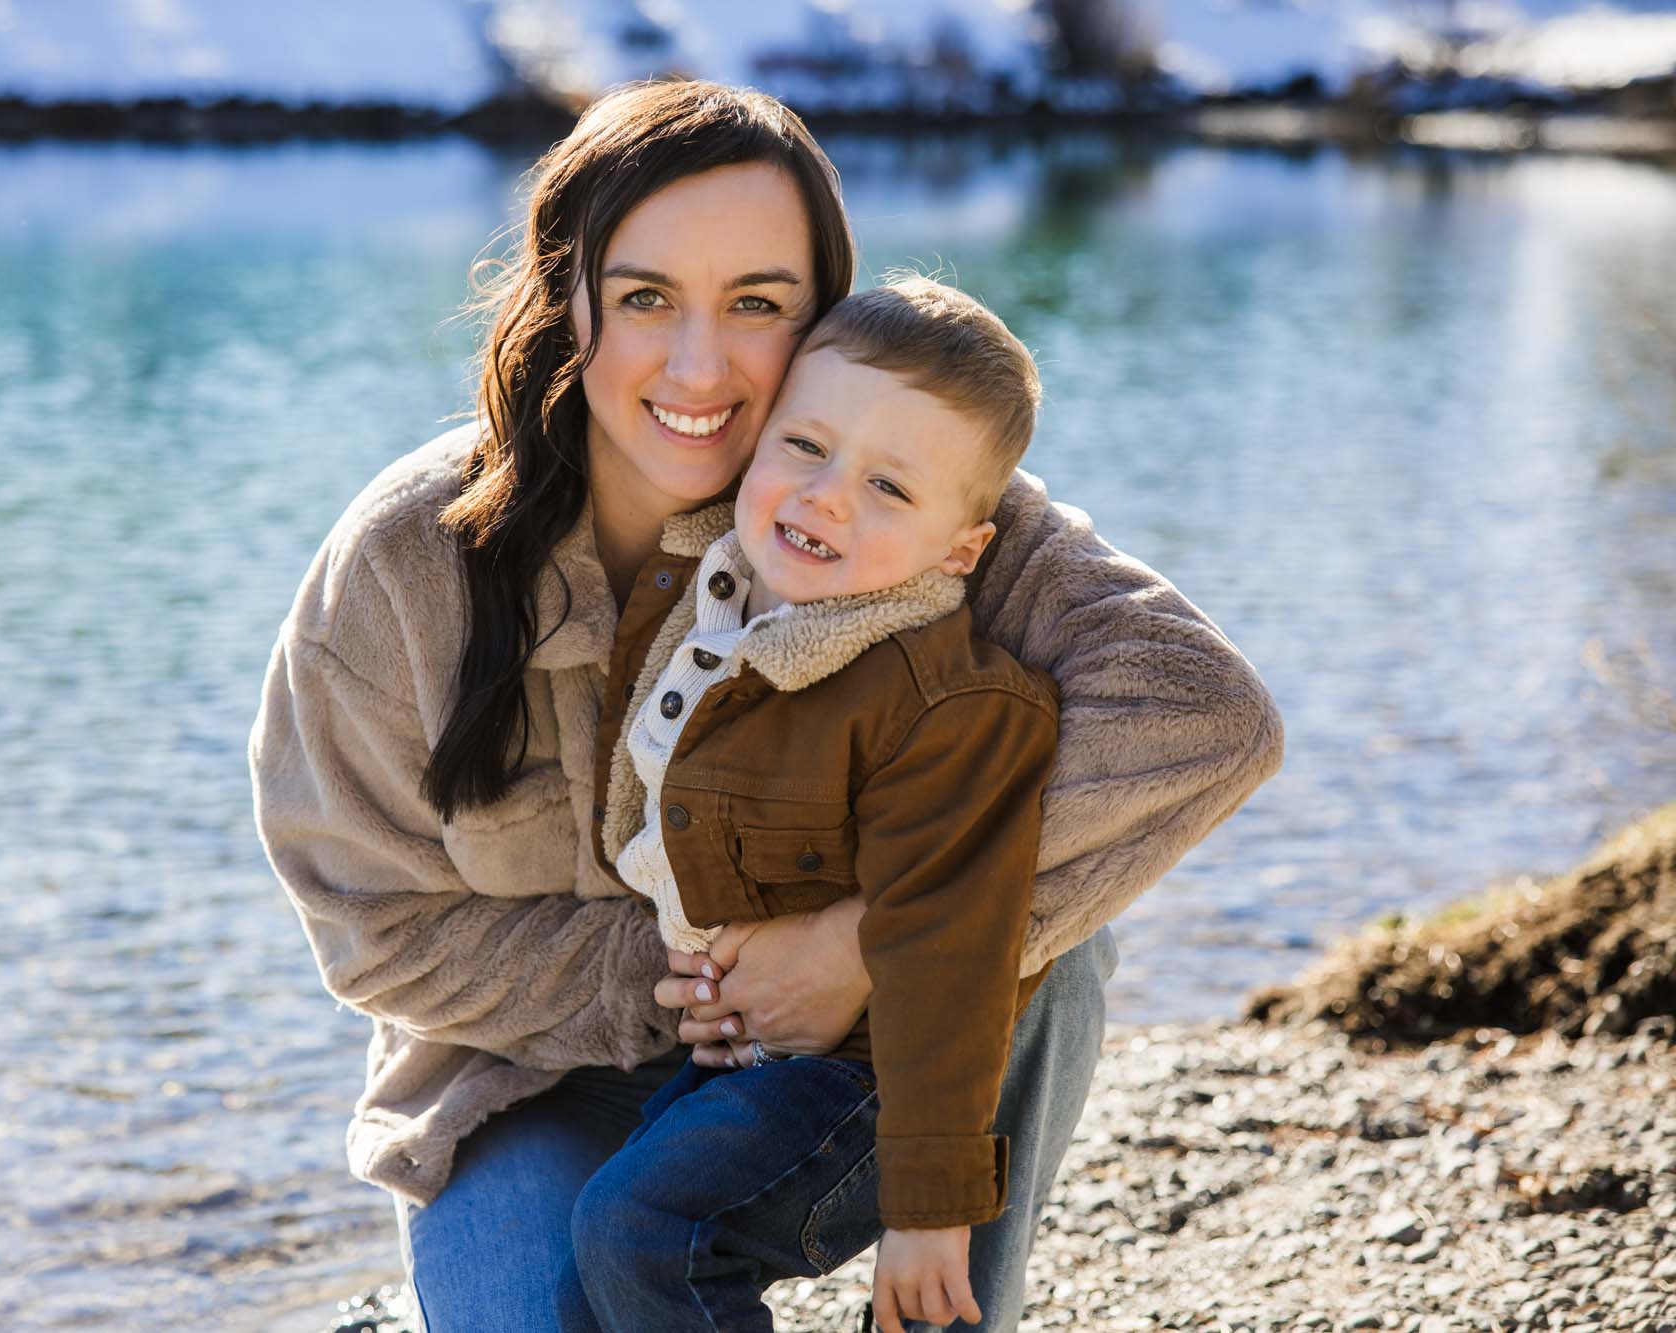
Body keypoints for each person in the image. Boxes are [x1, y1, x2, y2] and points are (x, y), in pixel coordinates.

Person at [249, 80, 1282, 1332]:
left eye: (756, 304)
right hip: (522, 1079)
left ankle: (952, 1308)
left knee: (1051, 938)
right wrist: (701, 978)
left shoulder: (889, 491)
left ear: (824, 315)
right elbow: (373, 928)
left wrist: (865, 942)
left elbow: (1202, 714)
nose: (699, 366)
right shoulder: (403, 563)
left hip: (856, 1053)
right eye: (644, 298)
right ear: (565, 297)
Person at [558, 275, 1071, 1333]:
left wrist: (929, 1207)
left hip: (876, 1079)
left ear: (959, 549)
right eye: (804, 445)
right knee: (600, 1262)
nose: (828, 495)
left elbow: (948, 950)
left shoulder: (943, 702)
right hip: (749, 1055)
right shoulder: (716, 598)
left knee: (647, 1232)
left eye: (888, 487)